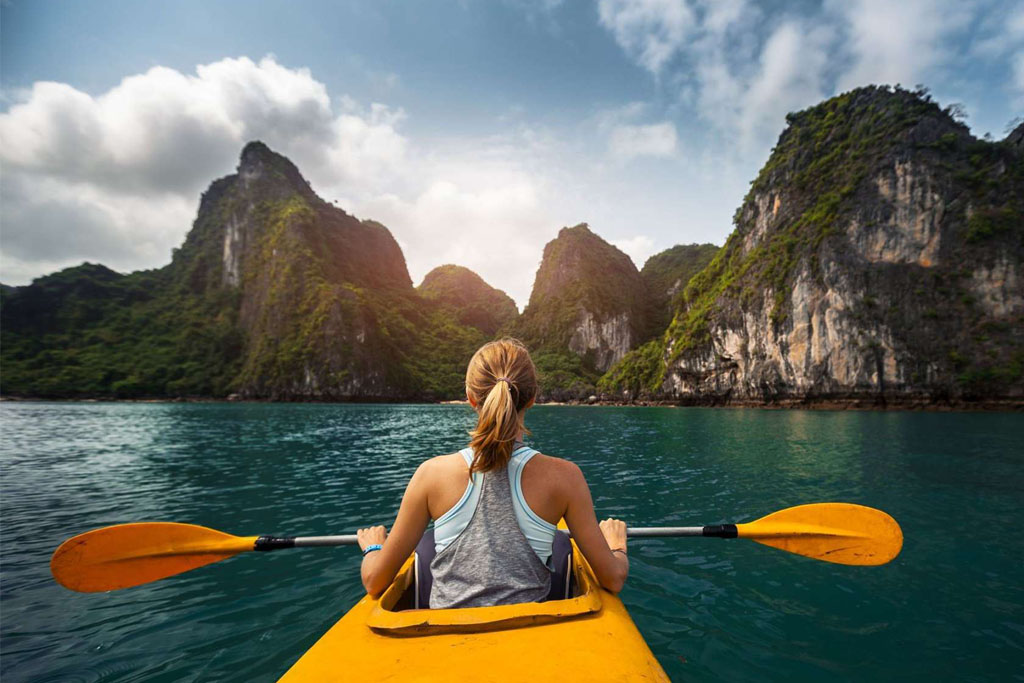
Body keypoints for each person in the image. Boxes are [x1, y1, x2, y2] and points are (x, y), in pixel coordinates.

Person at [356, 338, 629, 608]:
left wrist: (373, 548)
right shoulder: (565, 477)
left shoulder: (431, 475)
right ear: (532, 398)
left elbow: (374, 581)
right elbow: (613, 579)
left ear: (471, 398)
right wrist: (616, 545)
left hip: (444, 642)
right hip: (528, 640)